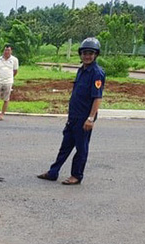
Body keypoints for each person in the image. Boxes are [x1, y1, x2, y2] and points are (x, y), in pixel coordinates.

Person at [37, 37, 105, 186]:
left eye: (91, 53)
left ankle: (76, 175)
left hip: (84, 117)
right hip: (73, 116)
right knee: (65, 146)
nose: (87, 56)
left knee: (81, 148)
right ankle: (53, 172)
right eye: (85, 53)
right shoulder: (82, 70)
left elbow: (97, 98)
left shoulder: (96, 73)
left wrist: (91, 118)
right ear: (80, 54)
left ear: (96, 55)